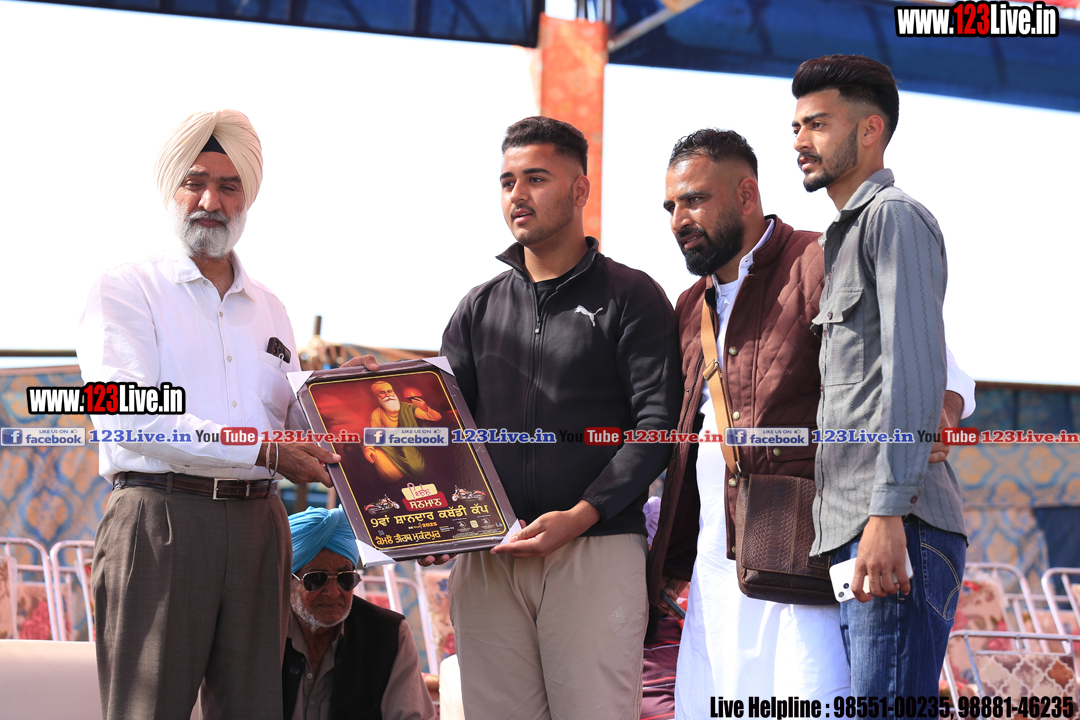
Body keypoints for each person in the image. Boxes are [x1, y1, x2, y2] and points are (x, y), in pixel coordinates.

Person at [645, 129, 974, 714]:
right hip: (718, 572)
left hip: (808, 564)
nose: (679, 220)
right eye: (671, 206)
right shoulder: (689, 306)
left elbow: (939, 367)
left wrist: (938, 414)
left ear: (747, 194)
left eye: (694, 200)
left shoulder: (823, 260)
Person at [77, 110, 341, 720]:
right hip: (161, 520)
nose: (210, 202)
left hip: (259, 526)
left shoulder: (270, 308)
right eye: (194, 183)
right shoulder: (124, 288)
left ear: (248, 197)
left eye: (228, 186)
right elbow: (127, 417)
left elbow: (291, 427)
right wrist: (264, 450)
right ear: (170, 189)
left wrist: (350, 412)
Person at [439, 116, 682, 720]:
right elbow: (443, 429)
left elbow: (657, 427)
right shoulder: (477, 307)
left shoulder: (632, 296)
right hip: (491, 555)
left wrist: (581, 514)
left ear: (579, 190)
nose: (517, 195)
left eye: (536, 178)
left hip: (596, 548)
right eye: (507, 182)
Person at [791, 54, 968, 701]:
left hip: (897, 523)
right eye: (796, 127)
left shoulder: (893, 217)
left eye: (817, 124)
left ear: (870, 130)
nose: (800, 141)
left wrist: (888, 511)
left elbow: (915, 371)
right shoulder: (839, 240)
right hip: (864, 527)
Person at [284, 507, 435, 720]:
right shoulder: (257, 631)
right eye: (316, 578)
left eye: (345, 578)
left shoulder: (389, 634)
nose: (333, 592)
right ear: (286, 580)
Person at [364, 380, 441, 481]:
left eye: (389, 391)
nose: (388, 395)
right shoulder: (377, 413)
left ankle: (421, 478)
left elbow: (436, 417)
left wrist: (425, 409)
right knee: (377, 453)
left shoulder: (408, 408)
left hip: (411, 442)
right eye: (382, 392)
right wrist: (368, 448)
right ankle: (399, 482)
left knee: (414, 461)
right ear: (377, 396)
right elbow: (373, 432)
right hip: (392, 446)